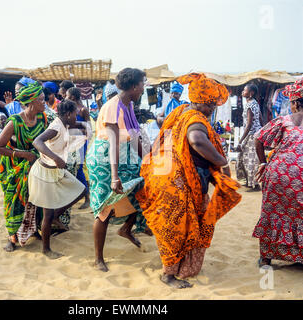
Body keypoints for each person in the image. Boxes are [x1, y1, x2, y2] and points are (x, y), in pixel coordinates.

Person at [136, 73, 242, 289]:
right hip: (176, 183)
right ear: (200, 101)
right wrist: (222, 161)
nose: (212, 110)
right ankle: (169, 275)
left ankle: (178, 268)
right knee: (177, 229)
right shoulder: (195, 119)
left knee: (181, 227)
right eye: (210, 105)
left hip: (167, 177)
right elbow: (196, 140)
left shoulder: (182, 111)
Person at [86, 68, 149, 272]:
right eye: (142, 83)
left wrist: (148, 159)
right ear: (133, 86)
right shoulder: (113, 107)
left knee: (140, 190)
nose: (143, 87)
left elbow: (133, 136)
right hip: (105, 159)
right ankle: (98, 259)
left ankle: (126, 229)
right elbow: (112, 143)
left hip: (123, 155)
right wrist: (114, 178)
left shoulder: (128, 104)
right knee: (106, 207)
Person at [253, 78, 303, 267]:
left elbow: (259, 139)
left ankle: (266, 259)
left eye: (291, 102)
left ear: (296, 102)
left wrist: (263, 163)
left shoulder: (284, 121)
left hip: (278, 176)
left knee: (272, 214)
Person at [28, 100, 86, 259]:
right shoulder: (56, 126)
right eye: (75, 114)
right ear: (68, 114)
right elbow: (37, 141)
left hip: (55, 172)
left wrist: (83, 125)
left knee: (82, 190)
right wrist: (56, 159)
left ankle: (56, 216)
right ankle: (46, 249)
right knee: (47, 214)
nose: (76, 116)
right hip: (44, 173)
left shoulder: (64, 124)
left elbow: (76, 127)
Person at [0, 81, 47, 252]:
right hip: (13, 166)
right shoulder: (15, 122)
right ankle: (12, 236)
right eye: (41, 100)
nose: (44, 103)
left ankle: (32, 229)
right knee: (14, 201)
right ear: (31, 102)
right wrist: (24, 155)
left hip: (34, 164)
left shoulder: (42, 118)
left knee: (35, 197)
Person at [66, 87, 92, 209]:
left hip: (80, 142)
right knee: (72, 168)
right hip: (70, 142)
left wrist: (75, 130)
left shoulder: (83, 110)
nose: (64, 98)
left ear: (73, 97)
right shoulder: (70, 109)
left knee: (79, 168)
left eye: (66, 95)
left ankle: (87, 197)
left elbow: (89, 129)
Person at [236, 83, 263, 191]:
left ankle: (255, 185)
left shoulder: (250, 105)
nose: (243, 91)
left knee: (250, 160)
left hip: (251, 135)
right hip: (256, 134)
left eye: (245, 90)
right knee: (247, 159)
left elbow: (249, 124)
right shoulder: (255, 103)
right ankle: (249, 182)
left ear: (251, 93)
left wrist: (241, 140)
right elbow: (260, 118)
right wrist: (263, 131)